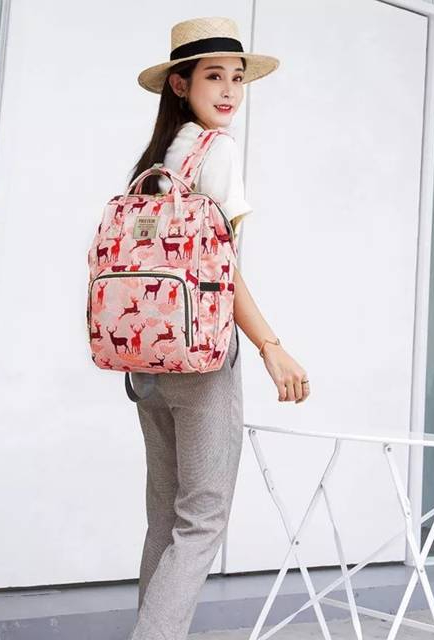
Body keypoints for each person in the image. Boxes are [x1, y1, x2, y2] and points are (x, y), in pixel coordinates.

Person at [125, 16, 310, 640]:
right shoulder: (216, 151)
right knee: (202, 519)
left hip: (147, 361)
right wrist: (271, 347)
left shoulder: (158, 162)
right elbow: (225, 275)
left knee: (166, 518)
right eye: (214, 77)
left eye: (237, 78)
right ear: (180, 84)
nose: (230, 90)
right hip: (200, 359)